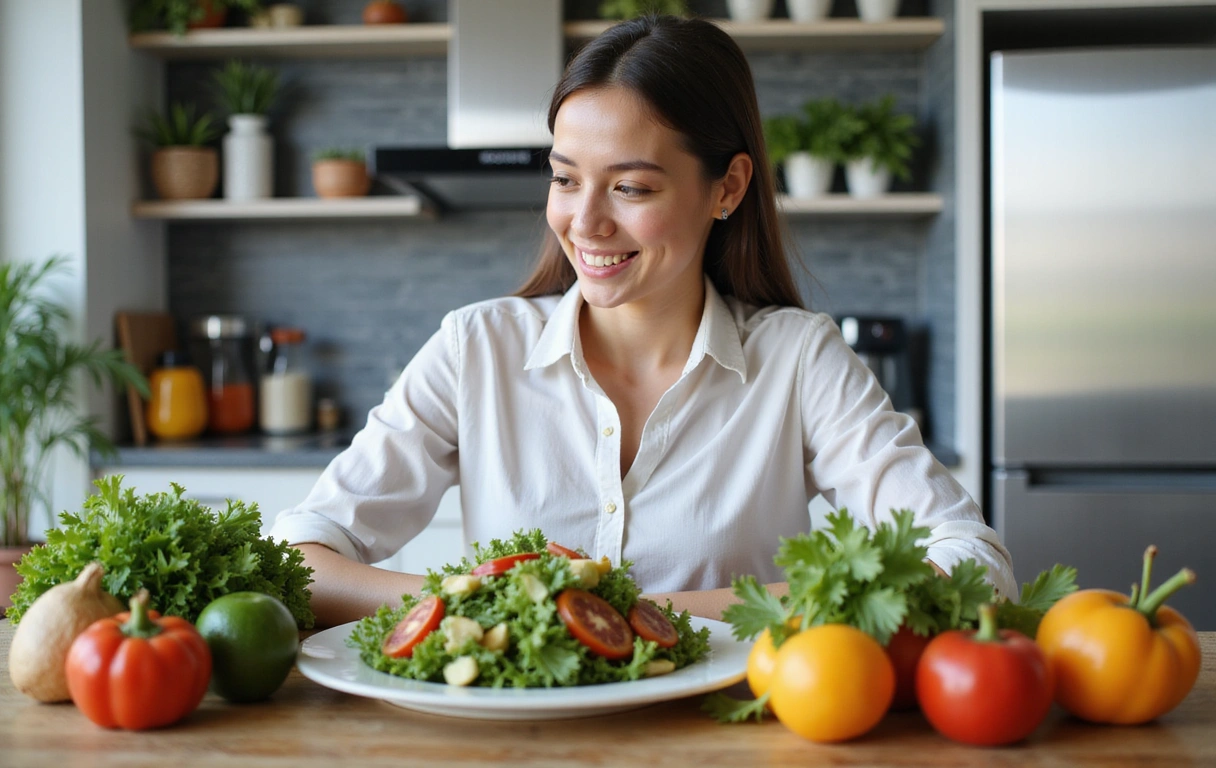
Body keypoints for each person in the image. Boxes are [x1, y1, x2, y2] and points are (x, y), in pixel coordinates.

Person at [268, 15, 1016, 628]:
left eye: (630, 187)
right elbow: (298, 556)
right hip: (521, 740)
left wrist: (625, 615)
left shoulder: (798, 360)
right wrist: (482, 604)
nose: (585, 221)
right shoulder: (476, 348)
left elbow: (974, 565)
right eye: (564, 179)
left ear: (728, 188)